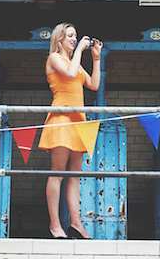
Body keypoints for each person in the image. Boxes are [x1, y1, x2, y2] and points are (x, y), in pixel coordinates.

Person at [37, 22, 101, 239]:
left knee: (74, 176)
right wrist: (81, 51)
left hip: (77, 121)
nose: (74, 39)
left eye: (76, 36)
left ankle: (76, 223)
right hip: (61, 118)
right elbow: (71, 74)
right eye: (71, 36)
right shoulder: (55, 58)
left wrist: (96, 58)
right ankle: (55, 224)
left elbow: (93, 84)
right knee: (58, 173)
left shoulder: (75, 62)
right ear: (60, 39)